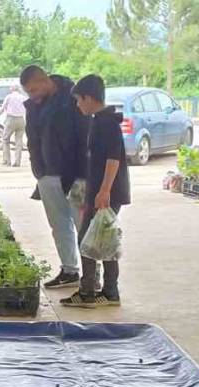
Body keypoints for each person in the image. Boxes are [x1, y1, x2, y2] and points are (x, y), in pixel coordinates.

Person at [61, 75, 130, 309]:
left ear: (89, 98)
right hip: (101, 190)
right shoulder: (98, 120)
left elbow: (113, 159)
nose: (78, 105)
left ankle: (88, 291)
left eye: (79, 100)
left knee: (87, 240)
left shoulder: (107, 122)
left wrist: (104, 191)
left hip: (107, 192)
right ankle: (110, 291)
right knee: (103, 239)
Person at [21, 65, 82, 289]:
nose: (32, 96)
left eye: (33, 90)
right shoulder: (35, 105)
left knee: (82, 224)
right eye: (28, 92)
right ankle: (69, 270)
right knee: (58, 225)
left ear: (45, 81)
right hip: (46, 174)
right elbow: (32, 138)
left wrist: (81, 172)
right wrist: (37, 170)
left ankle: (92, 276)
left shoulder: (73, 97)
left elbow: (82, 136)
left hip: (74, 174)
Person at [0, 86, 27, 167]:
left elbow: (3, 108)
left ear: (12, 89)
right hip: (21, 120)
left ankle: (7, 161)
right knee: (19, 141)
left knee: (5, 139)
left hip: (11, 119)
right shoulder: (23, 97)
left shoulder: (9, 97)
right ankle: (17, 162)